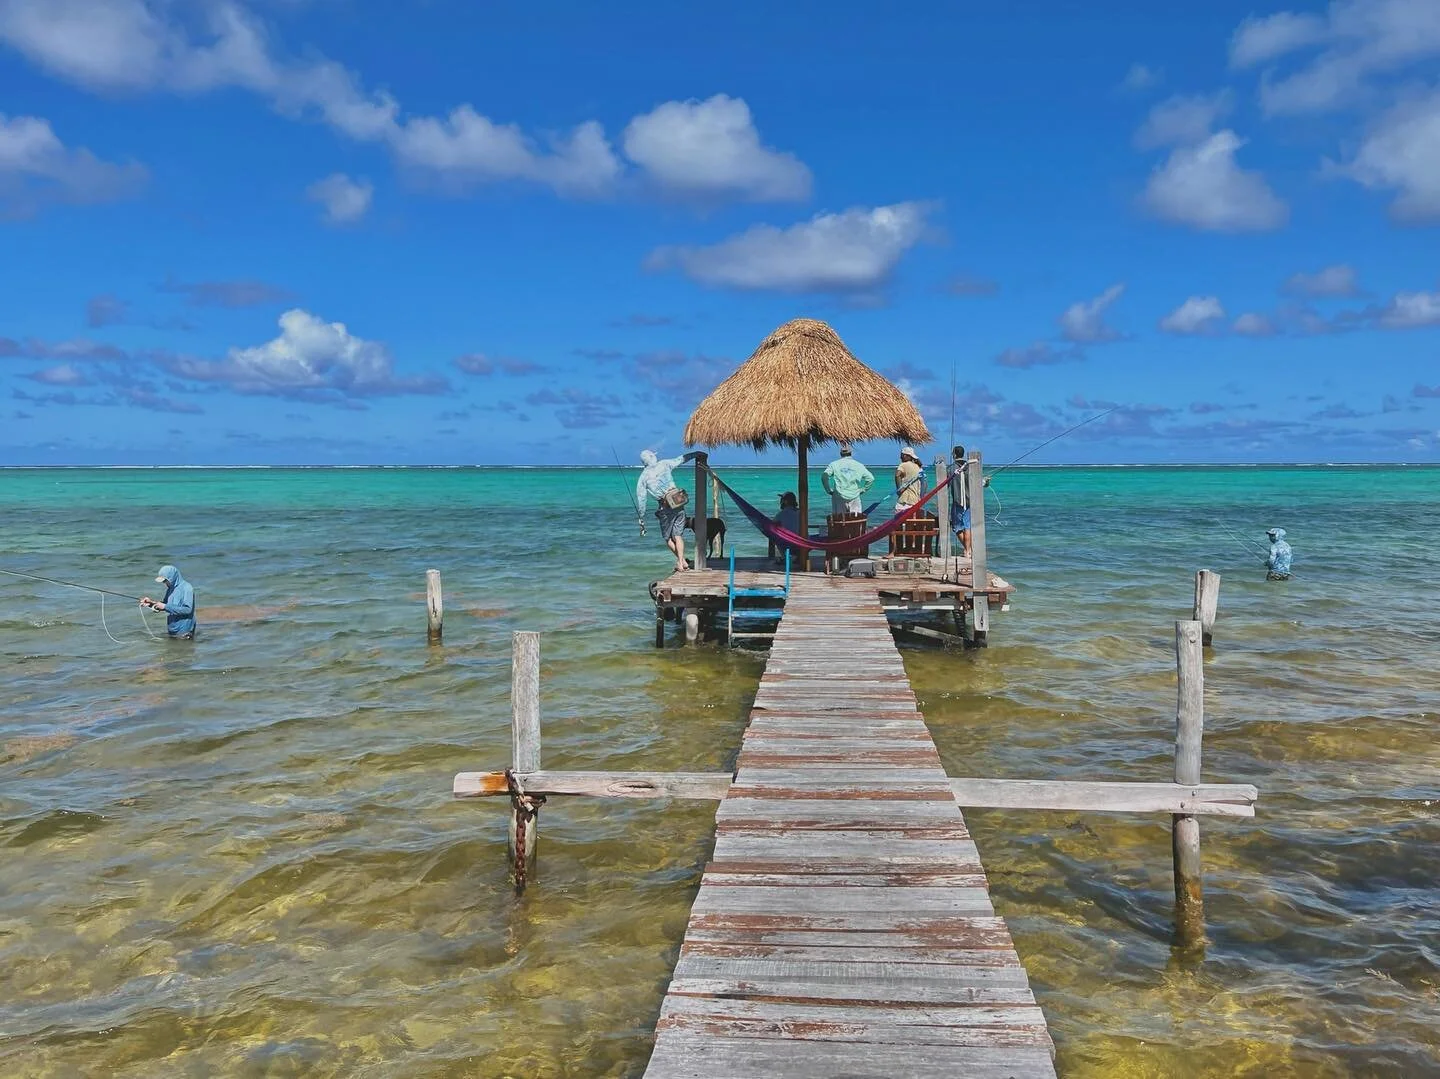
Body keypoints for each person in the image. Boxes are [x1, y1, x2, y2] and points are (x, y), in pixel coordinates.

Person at [637, 448, 699, 572]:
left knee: (668, 538)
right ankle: (683, 562)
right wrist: (696, 454)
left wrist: (641, 516)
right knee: (678, 535)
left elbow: (641, 498)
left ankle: (680, 562)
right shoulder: (664, 464)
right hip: (678, 501)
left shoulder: (643, 477)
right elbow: (681, 459)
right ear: (652, 457)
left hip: (664, 507)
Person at [948, 444, 989, 557]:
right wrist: (986, 482)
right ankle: (968, 551)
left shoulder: (951, 468)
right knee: (967, 526)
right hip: (970, 501)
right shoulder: (971, 466)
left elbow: (946, 483)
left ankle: (967, 549)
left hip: (958, 501)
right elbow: (980, 483)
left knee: (956, 527)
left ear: (954, 454)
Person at [140, 564, 196, 639]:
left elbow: (187, 610)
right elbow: (165, 605)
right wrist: (151, 604)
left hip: (185, 631)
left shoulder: (187, 588)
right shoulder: (170, 589)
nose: (165, 583)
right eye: (163, 581)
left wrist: (165, 606)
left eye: (166, 580)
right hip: (172, 629)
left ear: (173, 577)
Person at [821, 442, 874, 516]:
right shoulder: (859, 465)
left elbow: (824, 476)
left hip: (838, 496)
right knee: (856, 519)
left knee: (839, 520)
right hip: (854, 495)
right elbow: (871, 479)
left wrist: (828, 490)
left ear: (840, 453)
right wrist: (863, 490)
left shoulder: (834, 464)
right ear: (851, 453)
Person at [769, 492, 801, 562]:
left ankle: (784, 557)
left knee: (774, 535)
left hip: (789, 542)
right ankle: (797, 556)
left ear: (785, 502)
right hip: (802, 542)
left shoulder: (782, 514)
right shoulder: (801, 512)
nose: (781, 502)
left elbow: (771, 524)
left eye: (782, 500)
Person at [893, 447, 925, 514]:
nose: (900, 457)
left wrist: (899, 489)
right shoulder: (918, 467)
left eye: (901, 455)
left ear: (905, 455)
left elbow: (897, 475)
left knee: (899, 523)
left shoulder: (903, 465)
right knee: (911, 523)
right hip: (915, 502)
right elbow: (924, 484)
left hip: (903, 502)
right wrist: (921, 498)